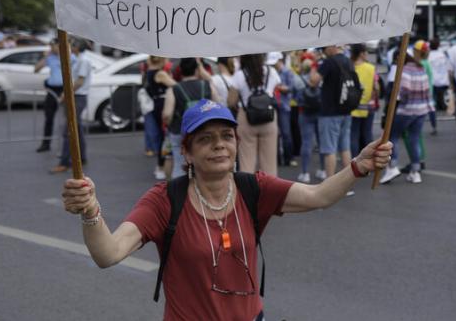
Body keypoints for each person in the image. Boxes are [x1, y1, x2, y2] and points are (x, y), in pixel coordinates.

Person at [60, 99, 392, 320]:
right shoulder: (165, 200)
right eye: (205, 139)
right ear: (187, 153)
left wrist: (358, 166)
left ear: (236, 143)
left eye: (226, 136)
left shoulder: (255, 188)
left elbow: (318, 196)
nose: (219, 144)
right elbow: (108, 253)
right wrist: (91, 211)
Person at [380, 48, 433, 184]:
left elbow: (405, 90)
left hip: (407, 110)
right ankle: (415, 172)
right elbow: (427, 90)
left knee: (393, 137)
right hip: (421, 110)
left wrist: (399, 98)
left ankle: (392, 167)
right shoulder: (420, 68)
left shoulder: (405, 70)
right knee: (414, 139)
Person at [163, 57, 220, 179]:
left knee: (179, 164)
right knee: (204, 162)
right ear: (196, 70)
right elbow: (218, 104)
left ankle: (179, 193)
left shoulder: (174, 89)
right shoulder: (207, 85)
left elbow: (167, 114)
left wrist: (168, 124)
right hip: (204, 130)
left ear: (181, 71)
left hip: (179, 131)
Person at [228, 54, 281, 176]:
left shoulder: (239, 75)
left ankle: (248, 192)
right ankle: (270, 192)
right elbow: (275, 90)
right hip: (268, 117)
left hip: (246, 118)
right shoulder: (270, 71)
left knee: (247, 161)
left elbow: (231, 101)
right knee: (269, 162)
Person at [311, 46, 358, 178]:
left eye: (325, 48)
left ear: (332, 46)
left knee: (329, 149)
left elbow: (313, 81)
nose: (324, 51)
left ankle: (330, 185)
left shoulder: (329, 62)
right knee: (345, 148)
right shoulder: (348, 61)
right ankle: (347, 183)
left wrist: (315, 64)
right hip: (346, 109)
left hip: (329, 112)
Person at [50, 38, 91, 174]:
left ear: (77, 47)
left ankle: (65, 162)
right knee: (77, 129)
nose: (71, 47)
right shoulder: (80, 59)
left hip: (78, 97)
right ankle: (82, 157)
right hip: (77, 96)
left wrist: (66, 94)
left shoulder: (83, 60)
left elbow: (79, 81)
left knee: (69, 130)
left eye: (72, 45)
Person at [144, 56, 176, 180]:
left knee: (163, 135)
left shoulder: (150, 72)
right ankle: (160, 165)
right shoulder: (160, 73)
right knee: (164, 136)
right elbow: (175, 84)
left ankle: (161, 165)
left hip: (158, 104)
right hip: (162, 105)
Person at [34, 39, 65, 153]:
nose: (51, 48)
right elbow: (36, 69)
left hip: (65, 90)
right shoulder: (50, 58)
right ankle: (46, 143)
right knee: (49, 117)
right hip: (52, 91)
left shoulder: (68, 57)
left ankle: (68, 145)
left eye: (54, 46)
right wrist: (45, 57)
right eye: (51, 46)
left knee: (68, 118)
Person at [350, 43, 378, 156]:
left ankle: (354, 162)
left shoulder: (349, 67)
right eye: (366, 52)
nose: (367, 54)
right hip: (369, 106)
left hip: (352, 107)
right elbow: (376, 87)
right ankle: (369, 158)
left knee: (353, 135)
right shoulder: (371, 68)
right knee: (367, 134)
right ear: (361, 54)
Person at [428, 38, 451, 116]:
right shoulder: (443, 55)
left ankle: (434, 107)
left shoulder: (428, 56)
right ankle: (442, 106)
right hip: (443, 79)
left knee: (433, 96)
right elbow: (448, 67)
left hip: (433, 80)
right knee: (442, 95)